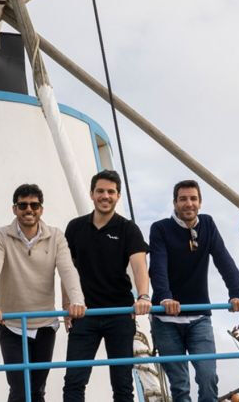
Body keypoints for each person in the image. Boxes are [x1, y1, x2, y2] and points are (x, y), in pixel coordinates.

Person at [0, 183, 87, 402]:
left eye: (34, 205)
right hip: (12, 323)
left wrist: (77, 301)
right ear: (14, 209)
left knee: (37, 389)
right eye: (23, 205)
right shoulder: (0, 236)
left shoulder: (55, 236)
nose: (29, 209)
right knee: (20, 388)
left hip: (44, 323)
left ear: (41, 209)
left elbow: (68, 270)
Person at [149, 179, 239, 402]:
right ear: (175, 203)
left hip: (199, 318)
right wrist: (165, 297)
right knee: (180, 386)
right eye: (183, 199)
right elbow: (158, 266)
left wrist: (237, 293)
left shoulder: (208, 225)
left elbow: (224, 260)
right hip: (166, 320)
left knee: (208, 376)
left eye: (193, 198)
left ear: (200, 203)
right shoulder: (160, 229)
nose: (188, 203)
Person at [63, 169, 151, 402]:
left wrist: (143, 296)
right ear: (92, 194)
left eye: (111, 192)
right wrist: (67, 305)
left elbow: (140, 266)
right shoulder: (75, 227)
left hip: (119, 314)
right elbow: (67, 270)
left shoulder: (128, 229)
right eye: (100, 191)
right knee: (73, 382)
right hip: (84, 313)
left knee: (122, 384)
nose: (105, 196)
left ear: (118, 196)